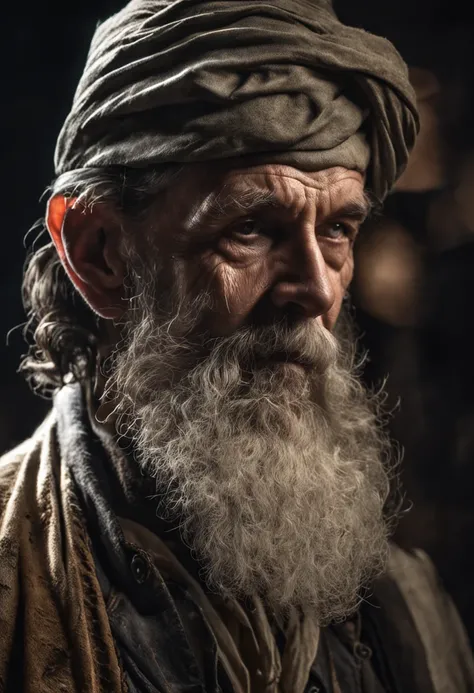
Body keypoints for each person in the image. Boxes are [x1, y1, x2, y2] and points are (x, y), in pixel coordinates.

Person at [0, 1, 472, 691]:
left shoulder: (415, 615)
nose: (317, 288)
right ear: (99, 253)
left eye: (339, 229)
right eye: (251, 227)